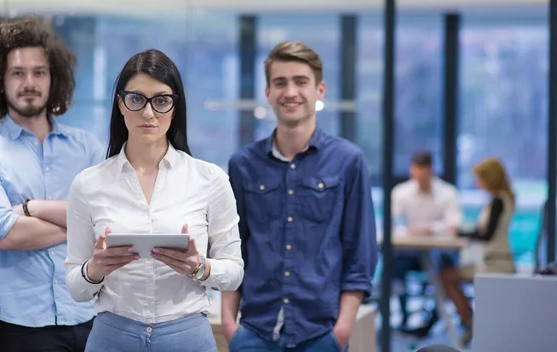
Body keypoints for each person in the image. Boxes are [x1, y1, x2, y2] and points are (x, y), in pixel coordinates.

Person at [64, 49, 244, 352]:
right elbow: (75, 288)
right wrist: (95, 269)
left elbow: (235, 272)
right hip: (112, 336)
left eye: (161, 100)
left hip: (187, 336)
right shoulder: (87, 184)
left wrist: (199, 268)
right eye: (136, 99)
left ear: (175, 107)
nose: (148, 113)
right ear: (121, 104)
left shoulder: (209, 179)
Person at [0, 17, 103, 352]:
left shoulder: (88, 148)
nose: (29, 82)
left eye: (39, 72)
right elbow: (8, 235)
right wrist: (84, 223)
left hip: (90, 319)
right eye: (18, 72)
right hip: (18, 330)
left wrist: (30, 208)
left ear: (54, 79)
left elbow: (111, 218)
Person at [221, 41, 378, 352]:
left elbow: (360, 252)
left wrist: (342, 329)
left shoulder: (348, 160)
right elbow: (232, 248)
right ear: (268, 93)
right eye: (280, 82)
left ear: (320, 89)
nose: (290, 91)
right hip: (254, 332)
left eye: (300, 81)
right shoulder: (243, 164)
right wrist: (229, 325)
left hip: (321, 334)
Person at [440, 157, 515, 345]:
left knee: (447, 277)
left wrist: (460, 232)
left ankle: (471, 322)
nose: (477, 182)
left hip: (495, 264)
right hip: (490, 261)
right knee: (447, 276)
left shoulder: (498, 201)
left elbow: (486, 234)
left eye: (480, 178)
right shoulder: (500, 200)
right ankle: (471, 322)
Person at [391, 151, 463, 335]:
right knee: (394, 267)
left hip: (440, 252)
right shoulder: (401, 192)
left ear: (431, 172)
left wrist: (429, 228)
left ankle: (434, 318)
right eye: (416, 175)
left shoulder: (447, 192)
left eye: (424, 176)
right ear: (411, 172)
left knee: (444, 266)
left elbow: (453, 226)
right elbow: (391, 223)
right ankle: (403, 317)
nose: (420, 180)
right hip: (409, 252)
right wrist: (409, 230)